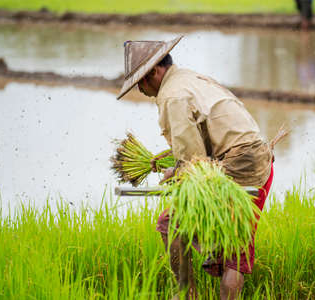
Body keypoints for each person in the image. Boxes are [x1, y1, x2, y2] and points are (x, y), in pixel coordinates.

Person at [117, 36, 277, 300]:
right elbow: (206, 138)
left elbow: (194, 163)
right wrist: (176, 164)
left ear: (154, 73)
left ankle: (185, 294)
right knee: (226, 245)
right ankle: (193, 283)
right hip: (258, 161)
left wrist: (174, 172)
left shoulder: (172, 96)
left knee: (174, 227)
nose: (141, 91)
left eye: (140, 83)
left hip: (239, 166)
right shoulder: (189, 78)